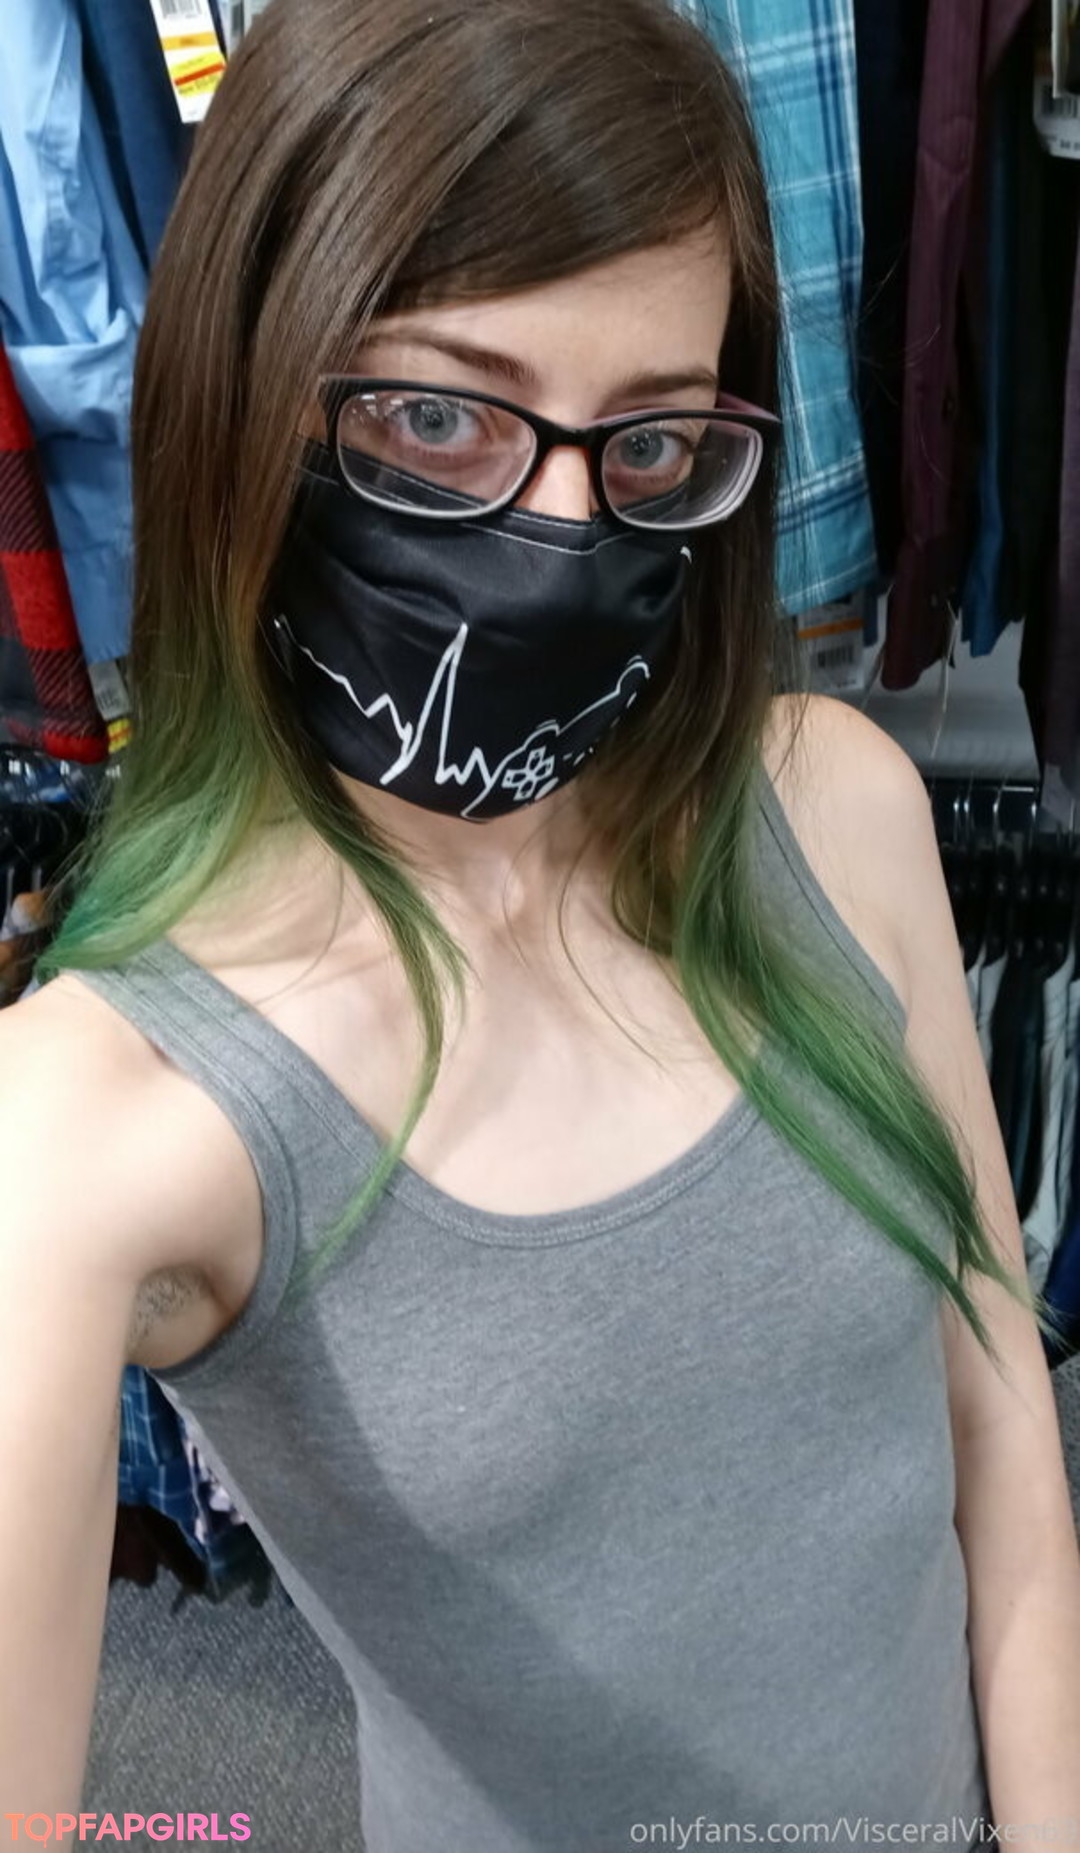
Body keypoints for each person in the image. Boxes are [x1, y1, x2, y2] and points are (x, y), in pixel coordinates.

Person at [1, 0, 1078, 1843]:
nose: (563, 532)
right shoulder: (103, 1116)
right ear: (249, 392)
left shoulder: (838, 808)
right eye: (435, 417)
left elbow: (999, 1440)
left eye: (648, 444)